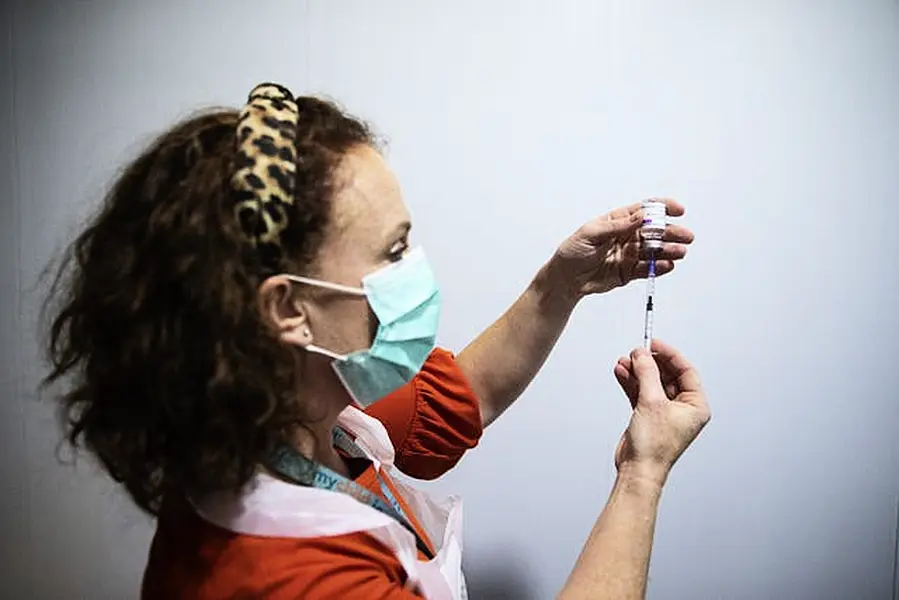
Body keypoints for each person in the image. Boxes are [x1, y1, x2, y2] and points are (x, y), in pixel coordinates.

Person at [41, 83, 706, 599]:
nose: (415, 266)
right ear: (288, 307)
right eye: (393, 250)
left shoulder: (298, 416)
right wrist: (640, 475)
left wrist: (558, 286)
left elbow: (454, 401)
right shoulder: (289, 580)